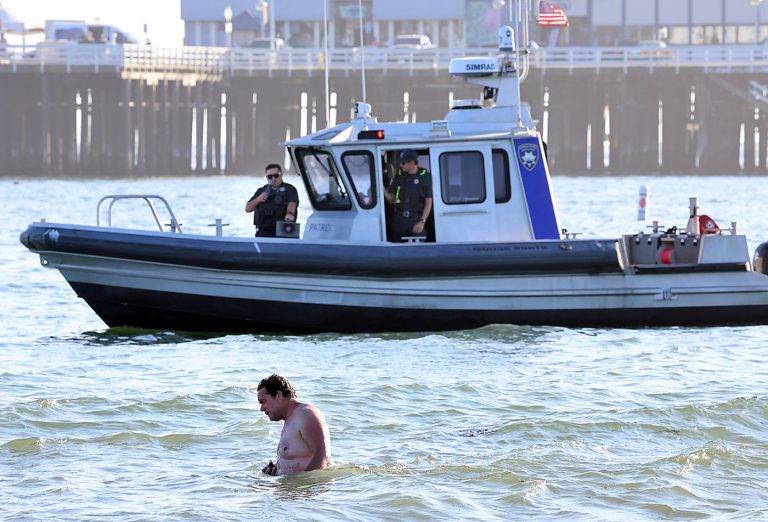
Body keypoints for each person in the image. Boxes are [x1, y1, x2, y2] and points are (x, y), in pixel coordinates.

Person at [257, 374, 333, 475]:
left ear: (278, 395)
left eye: (263, 401)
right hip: (293, 488)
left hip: (307, 489)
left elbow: (323, 456)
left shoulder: (306, 414)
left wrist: (302, 485)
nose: (261, 408)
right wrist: (276, 470)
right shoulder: (290, 421)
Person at [384, 149, 433, 242]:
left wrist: (422, 222)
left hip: (416, 219)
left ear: (412, 162)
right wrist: (382, 189)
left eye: (403, 163)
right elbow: (391, 200)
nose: (400, 165)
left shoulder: (424, 176)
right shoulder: (399, 175)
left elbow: (428, 202)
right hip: (399, 220)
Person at [245, 163, 299, 237]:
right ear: (267, 177)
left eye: (276, 175)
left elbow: (292, 203)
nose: (273, 178)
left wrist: (290, 213)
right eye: (270, 176)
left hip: (283, 230)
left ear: (281, 174)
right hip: (262, 232)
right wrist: (258, 199)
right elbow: (248, 209)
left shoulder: (290, 189)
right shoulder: (261, 190)